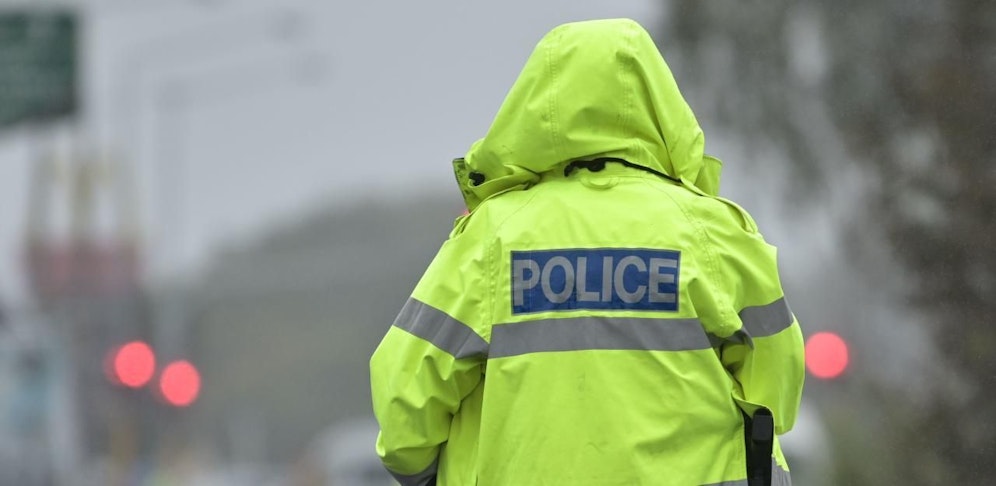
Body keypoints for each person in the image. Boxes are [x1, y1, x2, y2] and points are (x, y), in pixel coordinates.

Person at [370, 18, 805, 486]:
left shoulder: (491, 238)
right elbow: (777, 389)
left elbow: (405, 404)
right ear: (658, 102)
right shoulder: (711, 231)